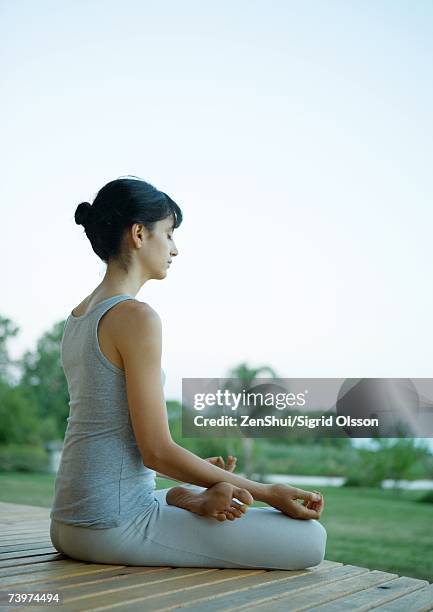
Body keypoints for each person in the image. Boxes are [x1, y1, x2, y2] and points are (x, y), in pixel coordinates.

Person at [49, 175, 327, 569]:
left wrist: (200, 475)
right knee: (311, 540)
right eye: (170, 233)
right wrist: (267, 491)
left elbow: (113, 439)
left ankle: (190, 497)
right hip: (109, 526)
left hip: (68, 519)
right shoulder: (135, 317)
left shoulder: (79, 317)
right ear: (139, 234)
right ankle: (192, 496)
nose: (175, 249)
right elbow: (157, 451)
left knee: (188, 490)